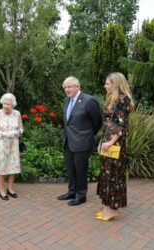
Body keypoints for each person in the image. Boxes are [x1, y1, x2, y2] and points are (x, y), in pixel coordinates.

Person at [57, 76, 102, 206]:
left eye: (69, 86)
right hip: (68, 141)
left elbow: (97, 121)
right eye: (65, 87)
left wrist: (87, 134)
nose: (67, 89)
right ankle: (72, 191)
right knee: (71, 169)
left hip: (82, 142)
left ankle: (81, 195)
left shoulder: (89, 100)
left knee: (81, 170)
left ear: (77, 86)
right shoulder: (66, 101)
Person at [96, 72, 134, 221]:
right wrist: (102, 141)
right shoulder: (112, 99)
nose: (105, 86)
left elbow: (122, 125)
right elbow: (108, 123)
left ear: (116, 84)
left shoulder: (122, 99)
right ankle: (107, 206)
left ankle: (112, 210)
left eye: (107, 83)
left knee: (113, 175)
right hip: (107, 140)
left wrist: (110, 142)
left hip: (115, 143)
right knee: (106, 175)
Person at [0, 93, 24, 201]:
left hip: (13, 145)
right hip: (1, 145)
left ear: (13, 105)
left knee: (12, 167)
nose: (5, 106)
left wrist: (16, 132)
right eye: (4, 104)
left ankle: (10, 188)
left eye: (8, 104)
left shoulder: (17, 114)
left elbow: (21, 129)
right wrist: (2, 134)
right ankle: (1, 190)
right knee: (2, 168)